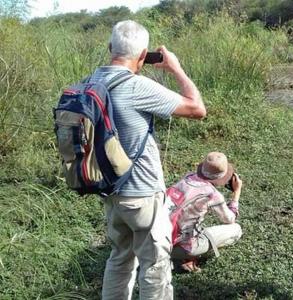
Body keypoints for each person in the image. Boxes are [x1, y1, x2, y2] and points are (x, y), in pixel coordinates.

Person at [88, 20, 206, 299]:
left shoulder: (91, 82)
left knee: (119, 258)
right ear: (143, 55)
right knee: (155, 266)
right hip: (142, 194)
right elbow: (197, 108)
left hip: (110, 191)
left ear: (109, 48)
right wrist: (175, 67)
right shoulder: (136, 85)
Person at [166, 152, 243, 272]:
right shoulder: (213, 194)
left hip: (159, 239)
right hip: (182, 248)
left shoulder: (187, 178)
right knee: (236, 229)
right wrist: (236, 193)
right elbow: (229, 219)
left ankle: (181, 256)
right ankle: (190, 256)